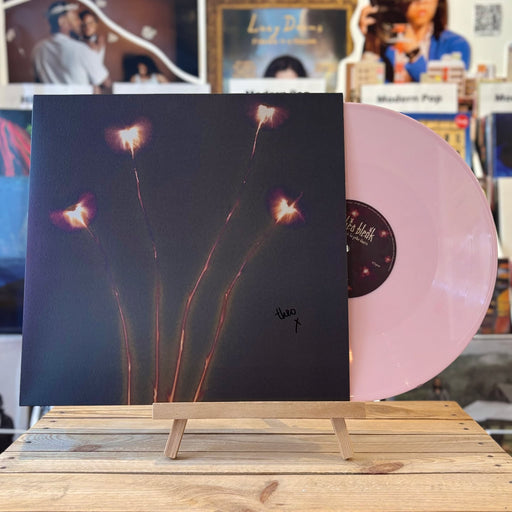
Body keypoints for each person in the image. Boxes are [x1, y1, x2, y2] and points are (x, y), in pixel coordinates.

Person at [359, 0, 470, 82]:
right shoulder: (384, 42)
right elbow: (369, 91)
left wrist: (414, 53)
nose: (421, 2)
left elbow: (446, 93)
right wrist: (371, 42)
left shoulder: (455, 44)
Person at [32, 1, 110, 92]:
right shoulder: (81, 50)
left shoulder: (37, 49)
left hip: (50, 101)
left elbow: (37, 82)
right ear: (61, 21)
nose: (80, 22)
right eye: (75, 18)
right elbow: (106, 83)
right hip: (80, 101)